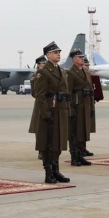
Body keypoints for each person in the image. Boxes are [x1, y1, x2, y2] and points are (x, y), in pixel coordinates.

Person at [34, 41, 70, 183]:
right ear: (48, 55)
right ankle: (48, 172)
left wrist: (67, 109)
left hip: (60, 111)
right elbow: (40, 96)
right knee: (47, 143)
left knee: (58, 143)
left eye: (59, 52)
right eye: (55, 52)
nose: (58, 54)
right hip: (49, 112)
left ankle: (56, 170)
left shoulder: (61, 71)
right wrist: (46, 114)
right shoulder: (43, 72)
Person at [65, 48, 92, 166]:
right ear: (74, 59)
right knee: (75, 133)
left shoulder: (84, 71)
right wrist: (71, 109)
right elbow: (68, 92)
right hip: (76, 106)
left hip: (84, 105)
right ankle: (74, 157)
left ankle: (81, 155)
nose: (82, 59)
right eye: (80, 57)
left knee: (82, 132)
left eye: (83, 57)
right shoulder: (71, 73)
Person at [29, 55, 47, 160]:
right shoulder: (36, 76)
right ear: (38, 65)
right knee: (39, 129)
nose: (44, 65)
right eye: (43, 63)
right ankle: (40, 151)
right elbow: (34, 93)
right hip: (40, 104)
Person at [81, 57, 97, 157]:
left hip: (88, 104)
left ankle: (83, 148)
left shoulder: (88, 75)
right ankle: (78, 150)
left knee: (86, 128)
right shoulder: (77, 74)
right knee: (80, 129)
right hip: (80, 105)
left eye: (88, 65)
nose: (87, 67)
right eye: (85, 65)